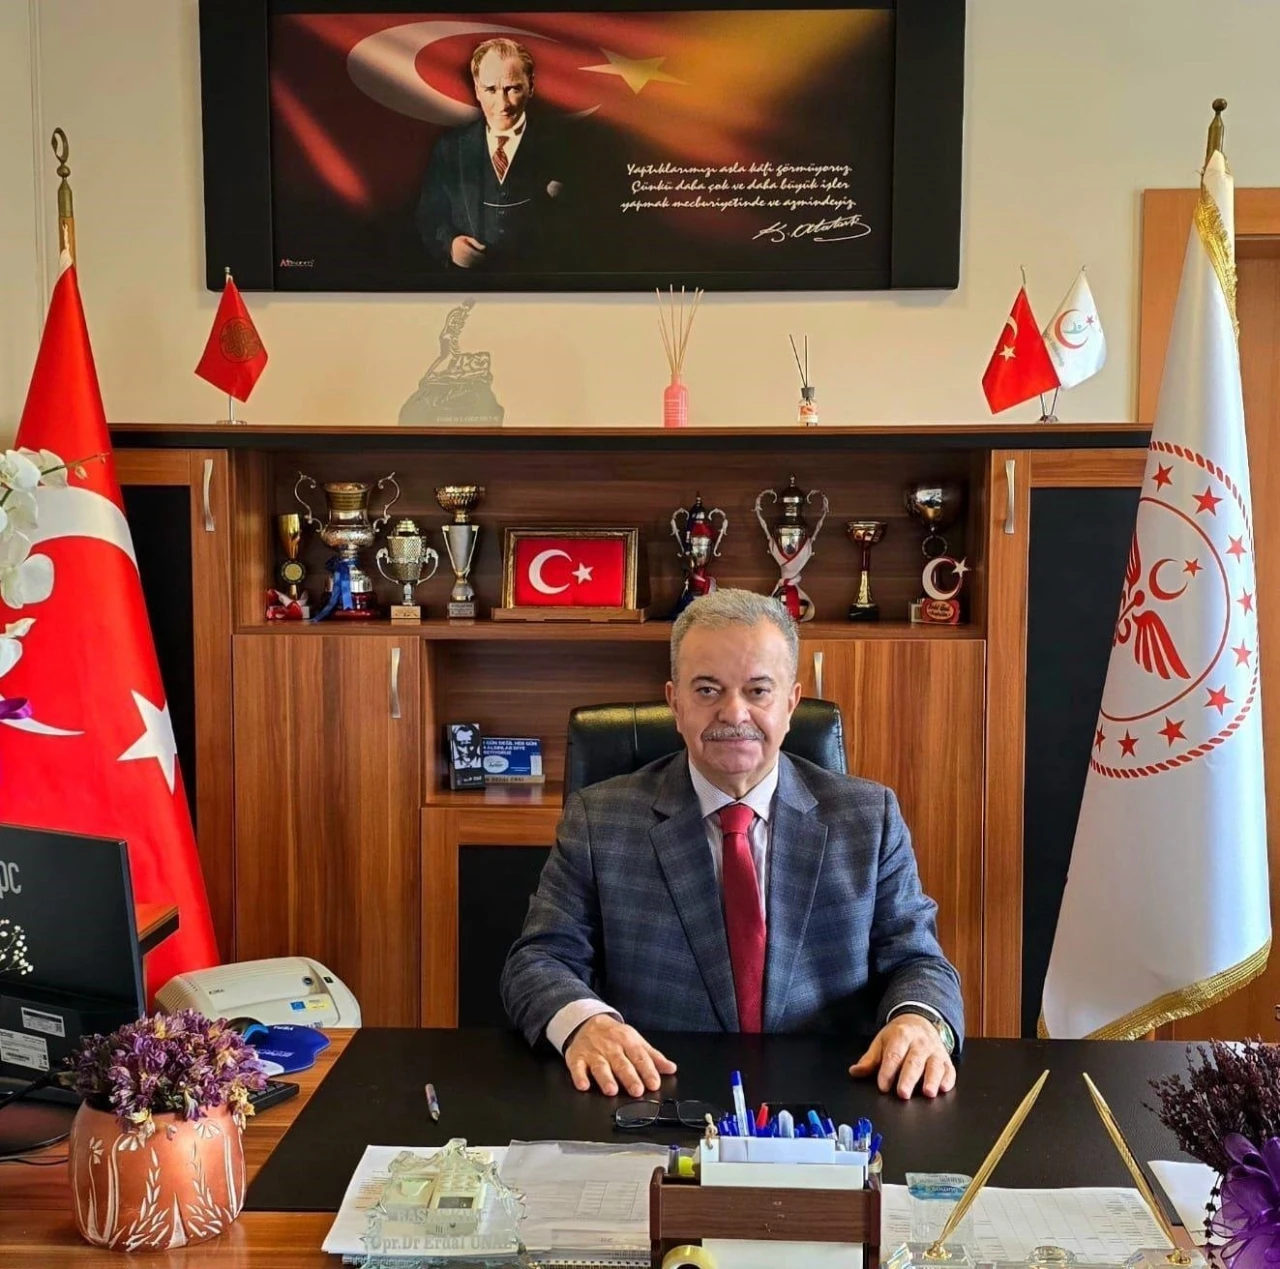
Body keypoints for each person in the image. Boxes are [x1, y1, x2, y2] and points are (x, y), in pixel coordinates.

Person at [501, 588, 963, 1102]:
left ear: (790, 703)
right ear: (675, 703)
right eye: (707, 690)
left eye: (758, 690)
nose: (734, 713)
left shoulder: (868, 818)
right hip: (653, 1098)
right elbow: (538, 960)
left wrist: (918, 1021)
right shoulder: (600, 820)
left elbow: (918, 961)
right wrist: (586, 1024)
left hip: (830, 1104)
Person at [416, 38, 568, 270]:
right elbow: (430, 215)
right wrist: (450, 246)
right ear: (477, 89)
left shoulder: (563, 147)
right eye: (490, 90)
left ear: (531, 86)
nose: (502, 104)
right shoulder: (449, 148)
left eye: (513, 88)